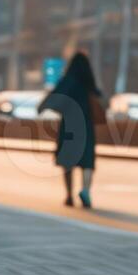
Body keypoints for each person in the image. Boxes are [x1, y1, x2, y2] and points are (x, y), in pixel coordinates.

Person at [43, 51, 103, 209]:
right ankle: (86, 191)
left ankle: (69, 195)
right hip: (87, 126)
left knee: (68, 160)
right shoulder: (89, 82)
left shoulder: (67, 80)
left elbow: (55, 97)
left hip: (69, 124)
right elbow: (100, 98)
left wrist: (43, 106)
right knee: (87, 160)